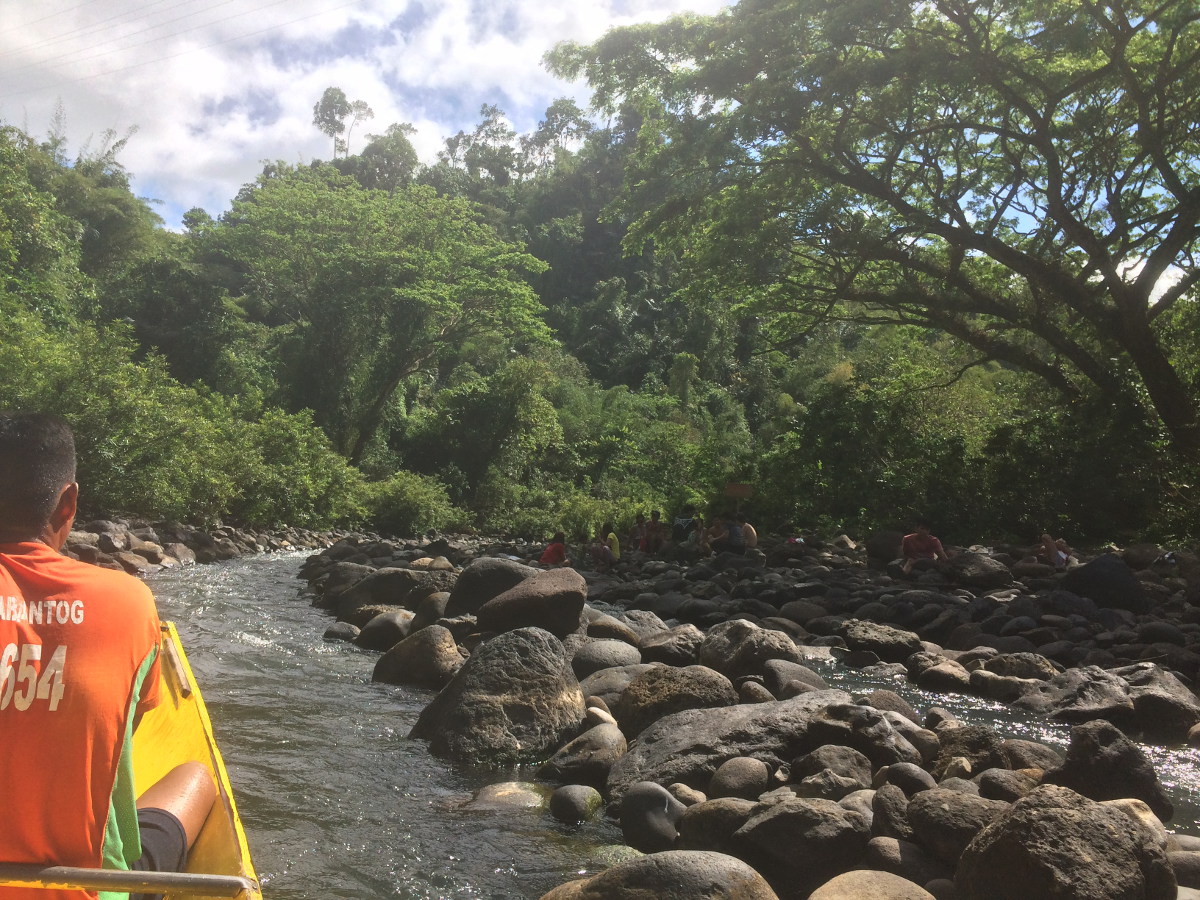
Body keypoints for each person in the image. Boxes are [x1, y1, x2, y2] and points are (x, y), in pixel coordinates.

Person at [0, 411, 216, 900]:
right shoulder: (128, 601)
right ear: (68, 504)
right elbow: (123, 736)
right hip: (87, 889)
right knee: (196, 778)